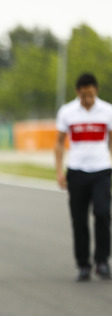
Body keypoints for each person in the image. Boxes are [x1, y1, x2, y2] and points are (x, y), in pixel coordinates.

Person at [55, 73, 112, 281]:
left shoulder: (107, 110)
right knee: (79, 219)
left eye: (90, 94)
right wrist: (59, 171)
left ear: (96, 90)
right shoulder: (67, 112)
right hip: (77, 171)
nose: (87, 99)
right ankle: (83, 264)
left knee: (103, 213)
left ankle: (102, 260)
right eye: (83, 95)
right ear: (77, 92)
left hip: (101, 170)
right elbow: (59, 142)